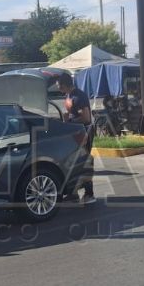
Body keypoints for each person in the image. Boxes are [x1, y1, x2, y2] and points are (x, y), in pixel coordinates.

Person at [57, 72, 96, 204]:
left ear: (64, 84)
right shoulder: (68, 96)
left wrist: (70, 121)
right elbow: (71, 114)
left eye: (59, 85)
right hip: (74, 133)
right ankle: (73, 193)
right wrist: (66, 119)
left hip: (84, 132)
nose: (57, 88)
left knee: (84, 163)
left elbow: (86, 118)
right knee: (73, 163)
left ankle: (89, 194)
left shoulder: (79, 96)